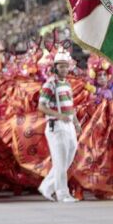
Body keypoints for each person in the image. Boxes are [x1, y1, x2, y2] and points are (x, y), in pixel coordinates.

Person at [37, 48, 81, 203]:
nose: (64, 68)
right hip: (56, 126)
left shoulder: (67, 84)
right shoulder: (50, 84)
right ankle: (63, 194)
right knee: (60, 161)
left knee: (67, 159)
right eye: (60, 66)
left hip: (68, 126)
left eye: (65, 65)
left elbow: (71, 105)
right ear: (55, 67)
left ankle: (47, 187)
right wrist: (59, 115)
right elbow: (41, 107)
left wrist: (76, 122)